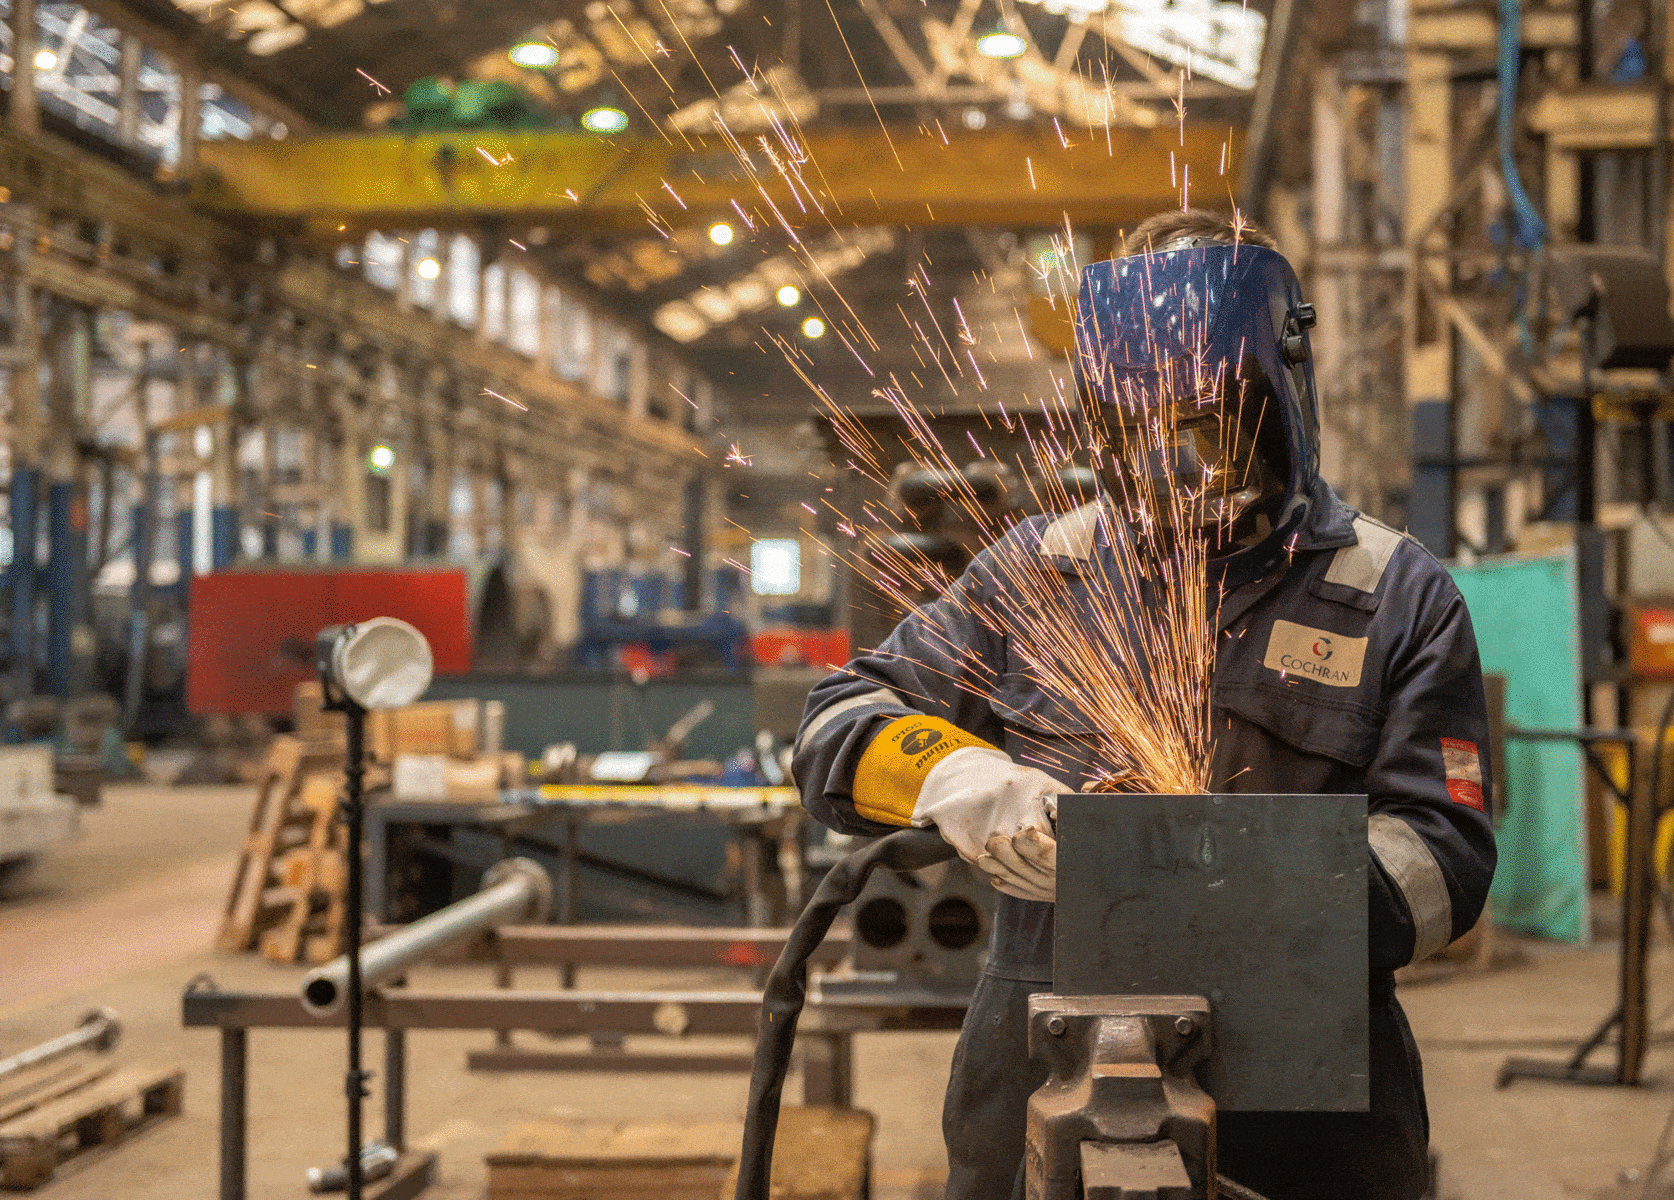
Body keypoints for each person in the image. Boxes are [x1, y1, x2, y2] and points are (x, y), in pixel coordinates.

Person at [790, 209, 1497, 1200]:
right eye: (1142, 428)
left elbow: (1447, 854)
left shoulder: (1394, 593)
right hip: (1044, 1055)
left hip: (1309, 1089)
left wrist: (1262, 891)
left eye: (1208, 427)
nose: (1177, 464)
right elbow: (834, 721)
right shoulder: (1041, 572)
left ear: (1276, 393)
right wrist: (953, 772)